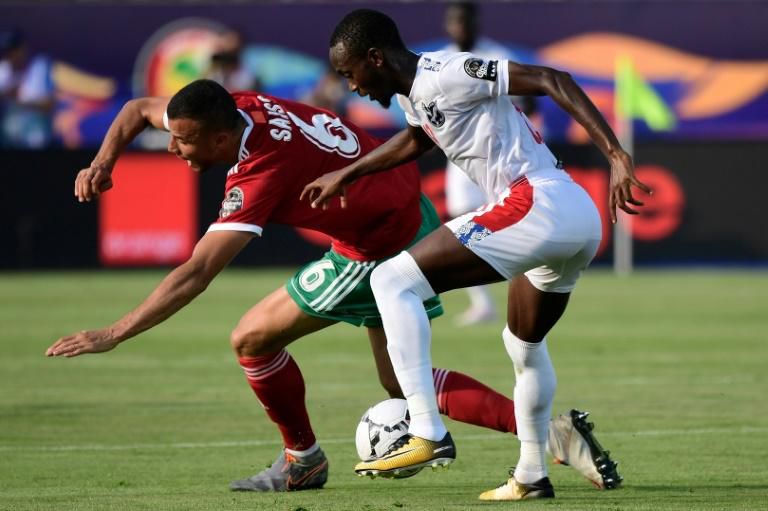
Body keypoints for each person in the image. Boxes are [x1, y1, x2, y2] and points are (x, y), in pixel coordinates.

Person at [45, 79, 614, 493]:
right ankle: (549, 435)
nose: (174, 148)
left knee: (251, 339)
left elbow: (196, 273)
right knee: (399, 379)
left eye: (185, 142)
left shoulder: (260, 168)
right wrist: (103, 162)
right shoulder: (234, 107)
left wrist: (114, 332)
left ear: (221, 140)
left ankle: (303, 460)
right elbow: (139, 108)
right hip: (401, 206)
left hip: (375, 242)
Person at [302, 9, 647, 500]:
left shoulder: (449, 71)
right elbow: (419, 137)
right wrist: (350, 172)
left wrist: (615, 155)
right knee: (523, 345)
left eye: (349, 72)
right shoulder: (413, 96)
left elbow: (552, 78)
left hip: (538, 200)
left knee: (390, 282)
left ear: (375, 58)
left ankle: (427, 430)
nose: (352, 86)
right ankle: (530, 474)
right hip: (571, 215)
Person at [441, 1, 518, 325]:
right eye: (455, 21)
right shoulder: (441, 60)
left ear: (474, 23)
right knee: (462, 225)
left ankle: (527, 284)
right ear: (449, 25)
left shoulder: (494, 55)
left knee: (513, 222)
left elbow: (520, 96)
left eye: (465, 21)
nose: (460, 27)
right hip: (461, 157)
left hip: (497, 153)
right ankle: (482, 301)